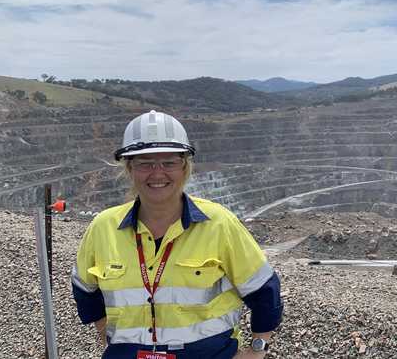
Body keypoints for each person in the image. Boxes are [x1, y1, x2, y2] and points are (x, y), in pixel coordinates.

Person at [72, 110, 282, 359]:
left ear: (185, 167)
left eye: (169, 162)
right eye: (145, 163)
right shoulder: (103, 227)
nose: (157, 173)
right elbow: (85, 290)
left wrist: (257, 350)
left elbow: (265, 291)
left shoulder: (219, 224)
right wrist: (111, 336)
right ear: (129, 168)